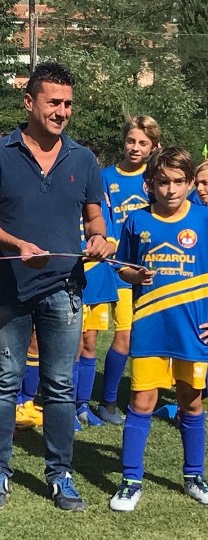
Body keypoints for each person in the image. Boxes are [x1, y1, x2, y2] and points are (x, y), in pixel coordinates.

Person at [0, 61, 111, 511]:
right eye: (53, 102)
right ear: (29, 102)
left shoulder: (84, 159)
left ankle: (60, 473)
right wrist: (16, 244)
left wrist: (99, 238)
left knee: (60, 385)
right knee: (4, 380)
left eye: (68, 104)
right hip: (8, 288)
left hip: (65, 289)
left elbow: (94, 217)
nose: (62, 111)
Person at [109, 147, 208, 511]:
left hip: (193, 330)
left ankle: (194, 476)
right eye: (163, 182)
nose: (170, 190)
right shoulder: (136, 221)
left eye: (178, 182)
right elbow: (122, 266)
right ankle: (130, 480)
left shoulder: (204, 219)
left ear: (190, 183)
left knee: (191, 401)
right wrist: (133, 275)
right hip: (150, 326)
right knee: (141, 401)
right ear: (150, 184)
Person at [100, 116, 161, 424]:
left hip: (152, 270)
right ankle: (108, 402)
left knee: (150, 335)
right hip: (119, 267)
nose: (135, 148)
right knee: (123, 335)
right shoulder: (105, 177)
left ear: (154, 147)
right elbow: (100, 217)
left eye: (143, 143)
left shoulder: (157, 179)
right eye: (131, 141)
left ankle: (149, 396)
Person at [73, 140, 119, 429]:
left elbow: (112, 241)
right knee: (74, 345)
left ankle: (82, 405)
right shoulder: (64, 196)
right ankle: (66, 406)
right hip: (72, 279)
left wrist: (103, 246)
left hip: (98, 280)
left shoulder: (100, 203)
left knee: (90, 343)